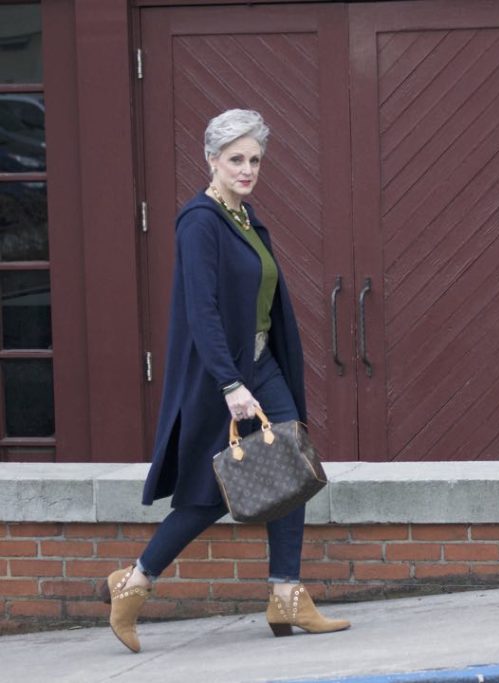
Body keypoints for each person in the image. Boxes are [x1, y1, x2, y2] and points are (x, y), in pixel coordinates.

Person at [100, 109, 350, 653]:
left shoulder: (244, 218)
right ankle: (135, 581)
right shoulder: (199, 221)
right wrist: (230, 384)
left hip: (263, 364)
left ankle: (286, 594)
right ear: (211, 159)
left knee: (290, 467)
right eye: (235, 159)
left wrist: (255, 372)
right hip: (225, 373)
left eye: (255, 159)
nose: (247, 169)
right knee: (209, 495)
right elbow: (202, 311)